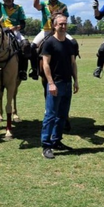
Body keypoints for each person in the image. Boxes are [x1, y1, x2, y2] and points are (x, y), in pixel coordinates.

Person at [40, 14, 78, 159]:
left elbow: (73, 63)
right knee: (50, 115)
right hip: (55, 84)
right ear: (54, 26)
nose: (63, 26)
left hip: (67, 83)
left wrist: (76, 81)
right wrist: (50, 83)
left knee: (62, 115)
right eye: (60, 24)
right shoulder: (49, 43)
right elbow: (46, 64)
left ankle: (56, 141)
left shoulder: (69, 44)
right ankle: (46, 145)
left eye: (65, 24)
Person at [29, 0, 75, 80]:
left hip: (59, 30)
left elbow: (65, 18)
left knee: (74, 43)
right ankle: (34, 70)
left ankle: (71, 66)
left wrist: (58, 15)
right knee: (32, 47)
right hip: (45, 30)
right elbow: (35, 5)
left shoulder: (63, 6)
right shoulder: (44, 4)